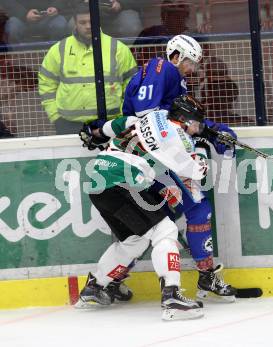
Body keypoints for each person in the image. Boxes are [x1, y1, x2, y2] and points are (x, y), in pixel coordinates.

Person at [120, 34, 239, 302]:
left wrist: (208, 130)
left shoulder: (171, 77)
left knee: (153, 223)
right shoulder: (162, 69)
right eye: (189, 62)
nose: (193, 69)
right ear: (175, 56)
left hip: (151, 156)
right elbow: (148, 115)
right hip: (152, 158)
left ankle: (108, 280)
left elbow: (176, 117)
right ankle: (205, 276)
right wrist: (199, 135)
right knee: (193, 209)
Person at [77, 94, 208, 321]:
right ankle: (172, 296)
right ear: (185, 121)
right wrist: (201, 156)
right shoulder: (179, 137)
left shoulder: (152, 115)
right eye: (196, 125)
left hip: (98, 179)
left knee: (133, 241)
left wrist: (97, 133)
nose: (197, 130)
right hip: (123, 179)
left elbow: (120, 123)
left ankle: (95, 287)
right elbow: (195, 172)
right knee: (165, 231)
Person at [38, 2, 137, 134]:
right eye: (82, 22)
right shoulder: (59, 50)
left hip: (110, 125)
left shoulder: (118, 49)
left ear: (98, 20)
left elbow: (132, 85)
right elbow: (46, 84)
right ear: (75, 23)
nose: (88, 26)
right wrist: (55, 117)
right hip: (68, 125)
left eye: (91, 21)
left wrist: (123, 117)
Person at [0, 0, 69, 44]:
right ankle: (17, 61)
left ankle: (54, 58)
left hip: (50, 16)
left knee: (60, 25)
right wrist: (24, 14)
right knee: (12, 28)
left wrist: (56, 7)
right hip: (20, 18)